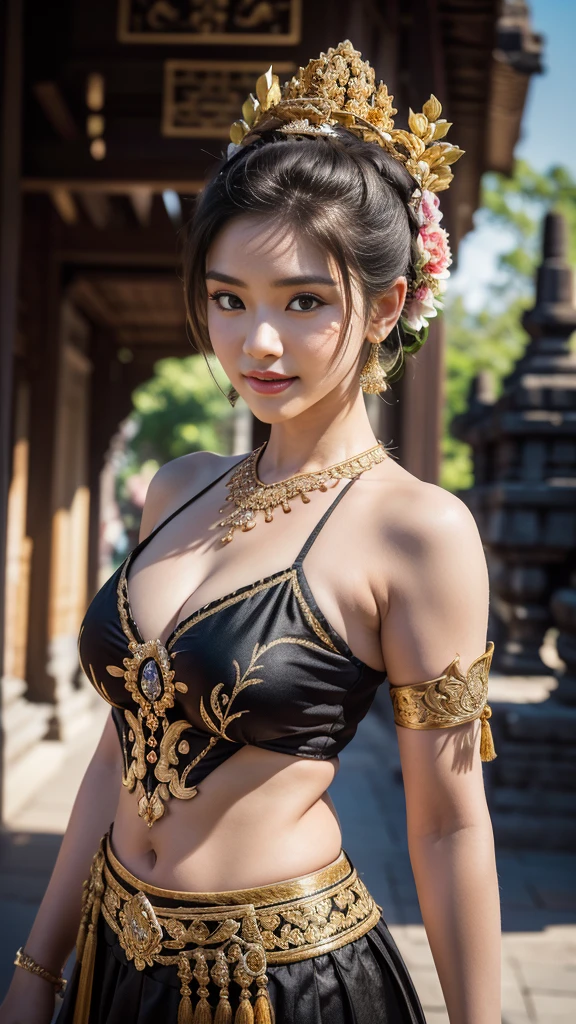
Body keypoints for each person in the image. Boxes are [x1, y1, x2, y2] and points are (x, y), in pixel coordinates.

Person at [0, 40, 501, 1024]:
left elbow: (447, 825)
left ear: (387, 304)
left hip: (282, 981)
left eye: (304, 302)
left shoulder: (417, 531)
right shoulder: (176, 486)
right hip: (113, 956)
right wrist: (36, 968)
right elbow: (117, 747)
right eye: (229, 299)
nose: (255, 343)